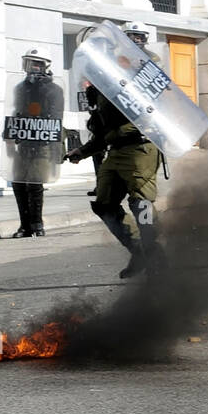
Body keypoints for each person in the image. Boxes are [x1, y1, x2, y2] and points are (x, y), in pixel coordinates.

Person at [66, 32, 168, 279]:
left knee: (140, 203)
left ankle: (157, 258)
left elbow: (154, 82)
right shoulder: (99, 87)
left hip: (140, 147)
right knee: (104, 205)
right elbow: (102, 132)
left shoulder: (130, 72)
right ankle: (139, 252)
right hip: (116, 150)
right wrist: (83, 151)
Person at [4, 49, 65, 238]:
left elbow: (56, 117)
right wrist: (9, 134)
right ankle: (24, 225)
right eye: (30, 63)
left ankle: (37, 224)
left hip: (43, 142)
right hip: (24, 141)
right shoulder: (20, 88)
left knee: (35, 182)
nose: (34, 68)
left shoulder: (54, 89)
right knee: (19, 182)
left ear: (46, 66)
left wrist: (53, 144)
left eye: (38, 64)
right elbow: (16, 111)